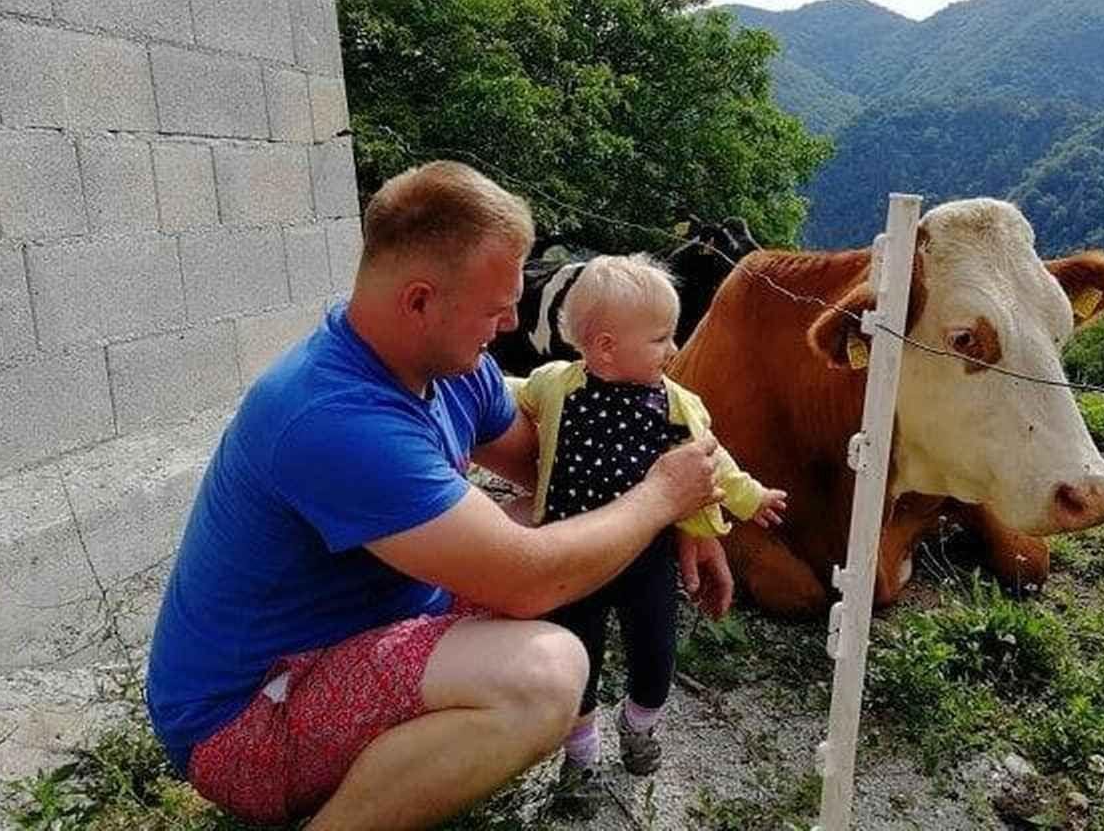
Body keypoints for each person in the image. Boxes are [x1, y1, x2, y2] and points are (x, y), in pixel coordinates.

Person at [145, 161, 735, 830]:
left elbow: (555, 477)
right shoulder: (332, 416)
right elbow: (527, 581)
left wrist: (693, 518)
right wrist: (661, 497)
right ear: (420, 300)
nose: (512, 321)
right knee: (548, 673)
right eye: (495, 308)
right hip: (247, 722)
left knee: (542, 522)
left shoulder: (450, 366)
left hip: (356, 639)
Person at [513, 254, 786, 817]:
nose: (674, 348)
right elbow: (507, 395)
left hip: (647, 561)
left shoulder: (677, 404)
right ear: (606, 347)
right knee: (577, 665)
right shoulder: (555, 386)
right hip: (571, 558)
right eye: (661, 337)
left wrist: (751, 497)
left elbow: (715, 463)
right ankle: (581, 759)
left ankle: (640, 724)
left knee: (656, 655)